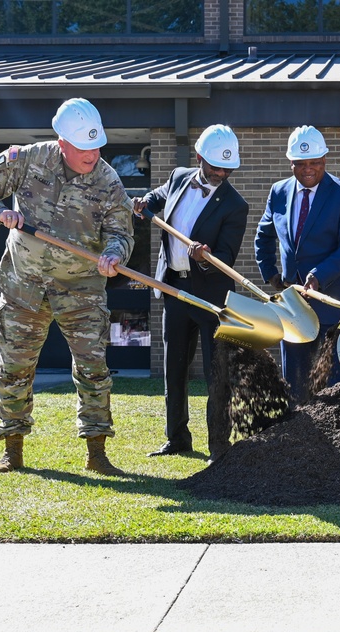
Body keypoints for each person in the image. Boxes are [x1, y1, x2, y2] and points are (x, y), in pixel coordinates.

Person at [0, 97, 134, 476]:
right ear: (62, 143)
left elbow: (121, 232)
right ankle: (13, 449)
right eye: (84, 148)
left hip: (81, 288)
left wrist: (113, 255)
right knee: (14, 369)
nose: (92, 154)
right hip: (23, 284)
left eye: (97, 147)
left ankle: (97, 452)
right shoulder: (27, 159)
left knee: (93, 368)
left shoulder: (108, 180)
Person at [130, 124, 249, 462]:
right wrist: (144, 202)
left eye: (228, 169)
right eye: (215, 167)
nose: (222, 174)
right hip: (173, 288)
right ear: (199, 158)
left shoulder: (235, 206)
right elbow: (158, 197)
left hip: (210, 297)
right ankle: (177, 438)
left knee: (217, 373)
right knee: (175, 368)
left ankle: (218, 447)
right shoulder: (181, 176)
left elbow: (226, 258)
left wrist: (205, 257)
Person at [254, 125, 340, 402]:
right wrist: (271, 275)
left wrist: (318, 276)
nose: (308, 169)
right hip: (293, 308)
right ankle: (300, 441)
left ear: (324, 160)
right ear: (290, 162)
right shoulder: (278, 192)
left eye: (314, 162)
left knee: (336, 387)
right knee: (295, 384)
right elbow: (263, 236)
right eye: (300, 163)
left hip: (335, 305)